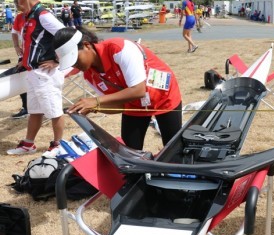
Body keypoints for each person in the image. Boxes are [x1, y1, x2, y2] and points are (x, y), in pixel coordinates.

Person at [53, 27, 183, 149]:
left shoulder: (119, 49)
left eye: (75, 59)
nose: (76, 65)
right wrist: (95, 107)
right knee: (130, 152)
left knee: (172, 149)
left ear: (87, 45)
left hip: (163, 97)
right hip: (134, 106)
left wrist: (96, 101)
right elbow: (118, 106)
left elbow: (138, 90)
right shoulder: (90, 76)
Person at [7, 0, 66, 155]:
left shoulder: (43, 15)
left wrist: (56, 60)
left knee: (54, 111)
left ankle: (58, 145)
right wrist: (24, 59)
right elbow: (33, 43)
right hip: (33, 72)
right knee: (35, 111)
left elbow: (68, 35)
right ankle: (28, 144)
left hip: (45, 73)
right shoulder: (29, 15)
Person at [11, 0, 28, 119]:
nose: (17, 6)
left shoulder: (38, 15)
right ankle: (26, 107)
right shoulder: (19, 17)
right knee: (21, 81)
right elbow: (14, 32)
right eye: (15, 4)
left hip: (35, 57)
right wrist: (16, 46)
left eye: (18, 3)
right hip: (24, 55)